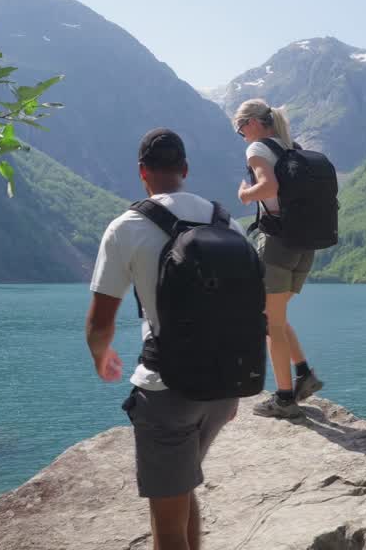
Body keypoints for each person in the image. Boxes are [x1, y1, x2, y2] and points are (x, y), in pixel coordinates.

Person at [86, 127, 253, 550]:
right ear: (185, 169)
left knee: (167, 525)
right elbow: (249, 305)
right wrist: (229, 385)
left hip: (167, 391)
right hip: (222, 387)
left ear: (142, 173)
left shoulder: (127, 227)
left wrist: (100, 355)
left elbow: (101, 320)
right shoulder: (224, 220)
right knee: (183, 485)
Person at [234, 99, 325, 419]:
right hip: (305, 246)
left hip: (277, 245)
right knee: (275, 314)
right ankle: (303, 374)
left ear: (254, 123)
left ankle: (285, 399)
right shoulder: (292, 148)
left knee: (268, 321)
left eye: (240, 126)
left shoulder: (258, 149)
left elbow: (267, 186)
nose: (240, 134)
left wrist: (245, 194)